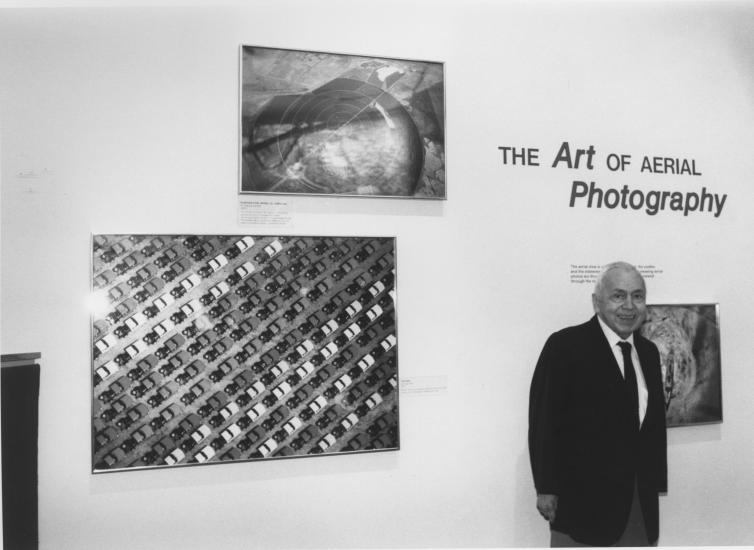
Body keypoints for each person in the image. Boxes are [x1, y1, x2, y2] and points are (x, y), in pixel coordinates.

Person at [528, 261, 667, 547]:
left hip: (638, 506)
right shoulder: (564, 346)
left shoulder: (650, 353)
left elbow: (651, 429)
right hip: (582, 510)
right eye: (618, 295)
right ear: (597, 302)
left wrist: (656, 482)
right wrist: (546, 488)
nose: (629, 305)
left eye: (637, 296)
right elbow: (544, 422)